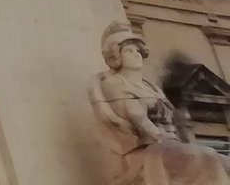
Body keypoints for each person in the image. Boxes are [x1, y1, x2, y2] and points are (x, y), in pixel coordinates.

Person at [89, 19, 230, 185]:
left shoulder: (151, 87)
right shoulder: (115, 84)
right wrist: (167, 140)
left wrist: (186, 144)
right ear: (116, 57)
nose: (136, 54)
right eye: (128, 51)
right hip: (150, 150)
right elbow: (138, 120)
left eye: (137, 50)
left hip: (173, 147)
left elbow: (178, 124)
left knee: (226, 163)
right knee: (207, 156)